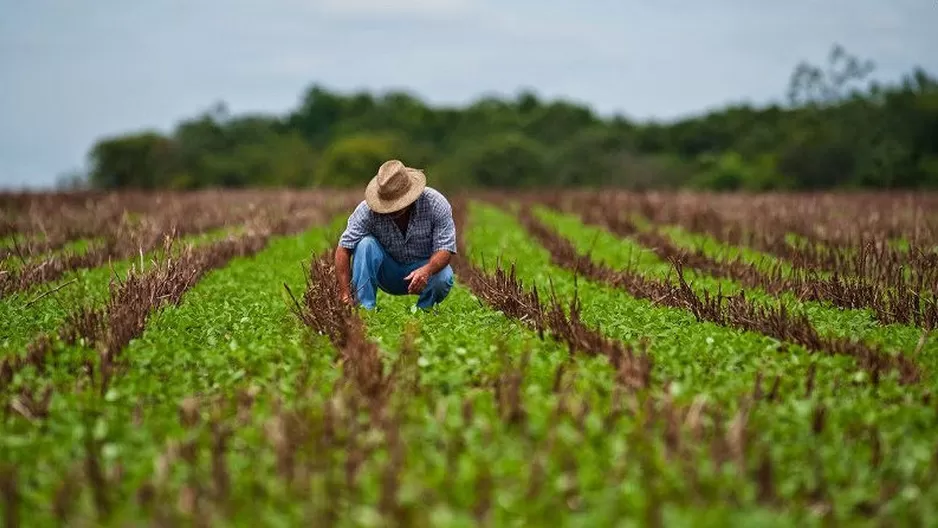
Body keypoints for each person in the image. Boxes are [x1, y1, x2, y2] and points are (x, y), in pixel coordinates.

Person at [335, 159, 456, 310]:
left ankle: (424, 312)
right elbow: (343, 248)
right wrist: (345, 294)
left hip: (423, 269)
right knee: (365, 244)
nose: (394, 209)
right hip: (388, 273)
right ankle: (365, 310)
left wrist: (427, 270)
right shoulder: (366, 211)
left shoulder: (436, 203)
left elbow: (445, 249)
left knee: (443, 276)